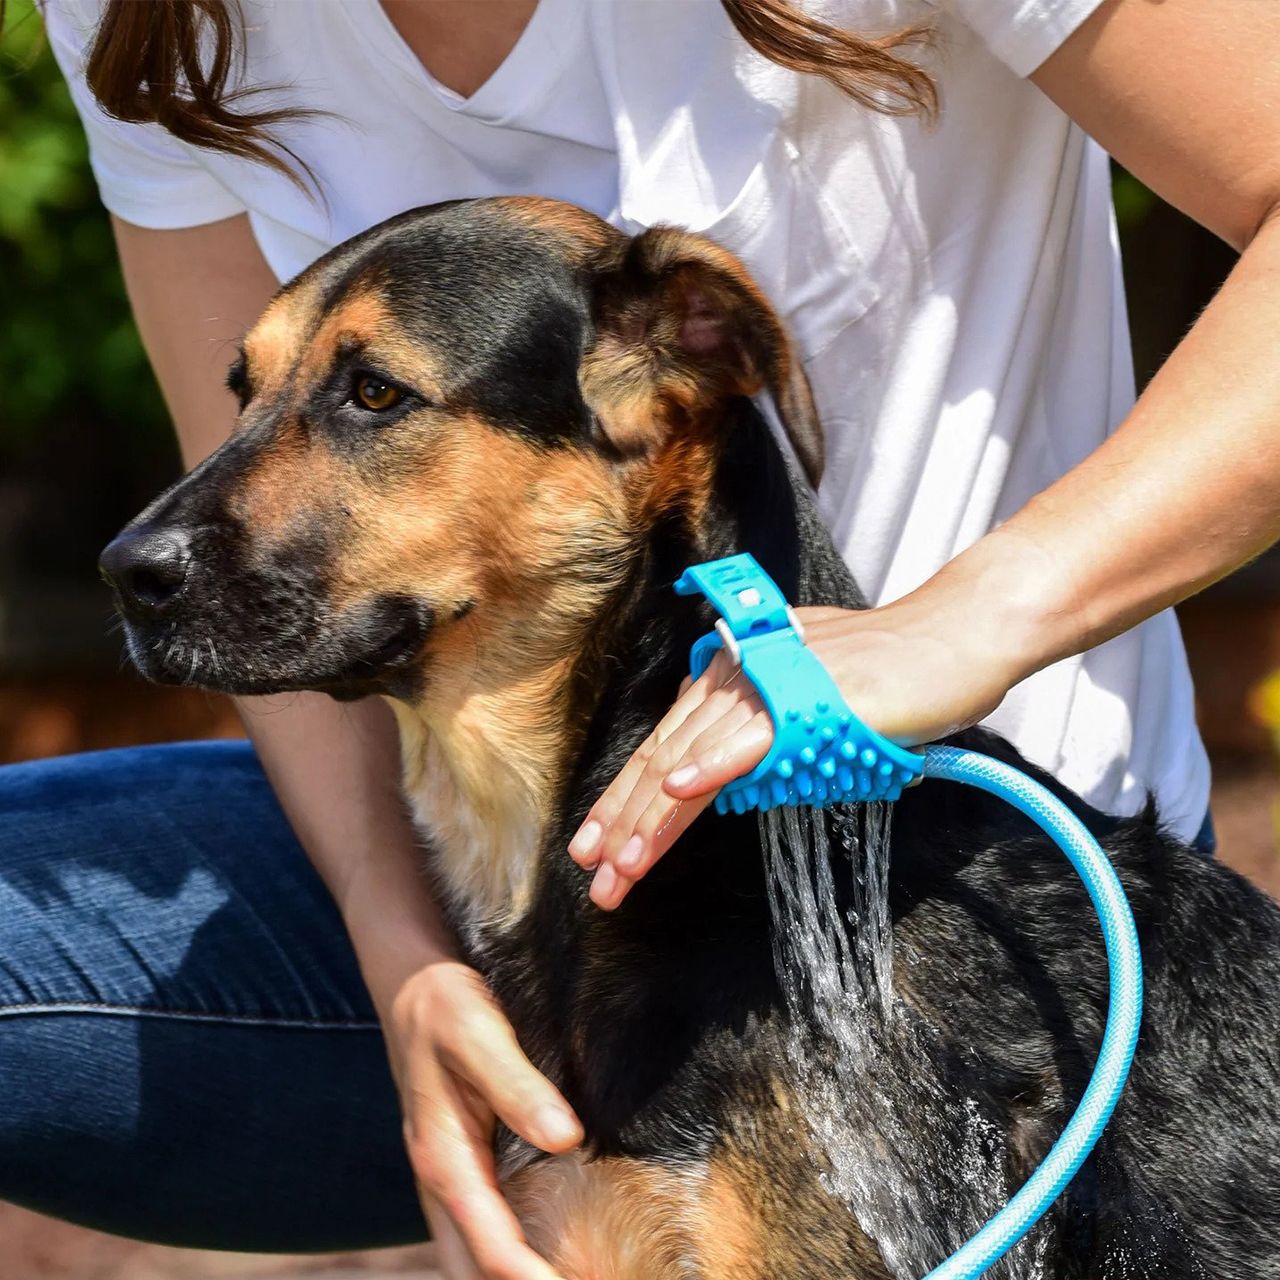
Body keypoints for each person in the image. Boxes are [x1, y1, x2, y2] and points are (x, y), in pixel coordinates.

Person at [2, 0, 1277, 1276]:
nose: (141, 552)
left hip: (951, 893)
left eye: (373, 394)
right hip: (462, 889)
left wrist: (975, 615)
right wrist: (398, 948)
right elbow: (234, 516)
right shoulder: (150, 15)